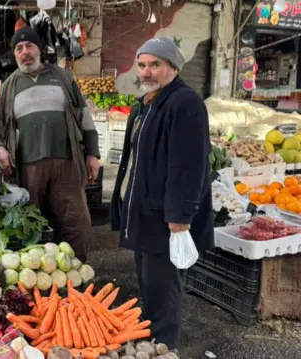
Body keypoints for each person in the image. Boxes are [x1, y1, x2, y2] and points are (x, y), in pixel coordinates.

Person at [110, 37, 214, 351]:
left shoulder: (184, 103)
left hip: (165, 220)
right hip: (146, 213)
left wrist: (180, 219)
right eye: (142, 65)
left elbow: (189, 165)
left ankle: (164, 348)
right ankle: (152, 344)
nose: (146, 71)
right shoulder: (147, 104)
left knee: (164, 290)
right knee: (150, 286)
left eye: (155, 64)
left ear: (173, 67)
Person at [0, 27, 101, 261]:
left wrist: (92, 153)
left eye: (29, 46)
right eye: (19, 48)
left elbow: (83, 116)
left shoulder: (63, 77)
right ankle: (40, 276)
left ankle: (79, 269)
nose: (25, 52)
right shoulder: (8, 86)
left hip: (67, 162)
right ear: (15, 54)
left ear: (40, 49)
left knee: (76, 219)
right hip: (27, 166)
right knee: (31, 223)